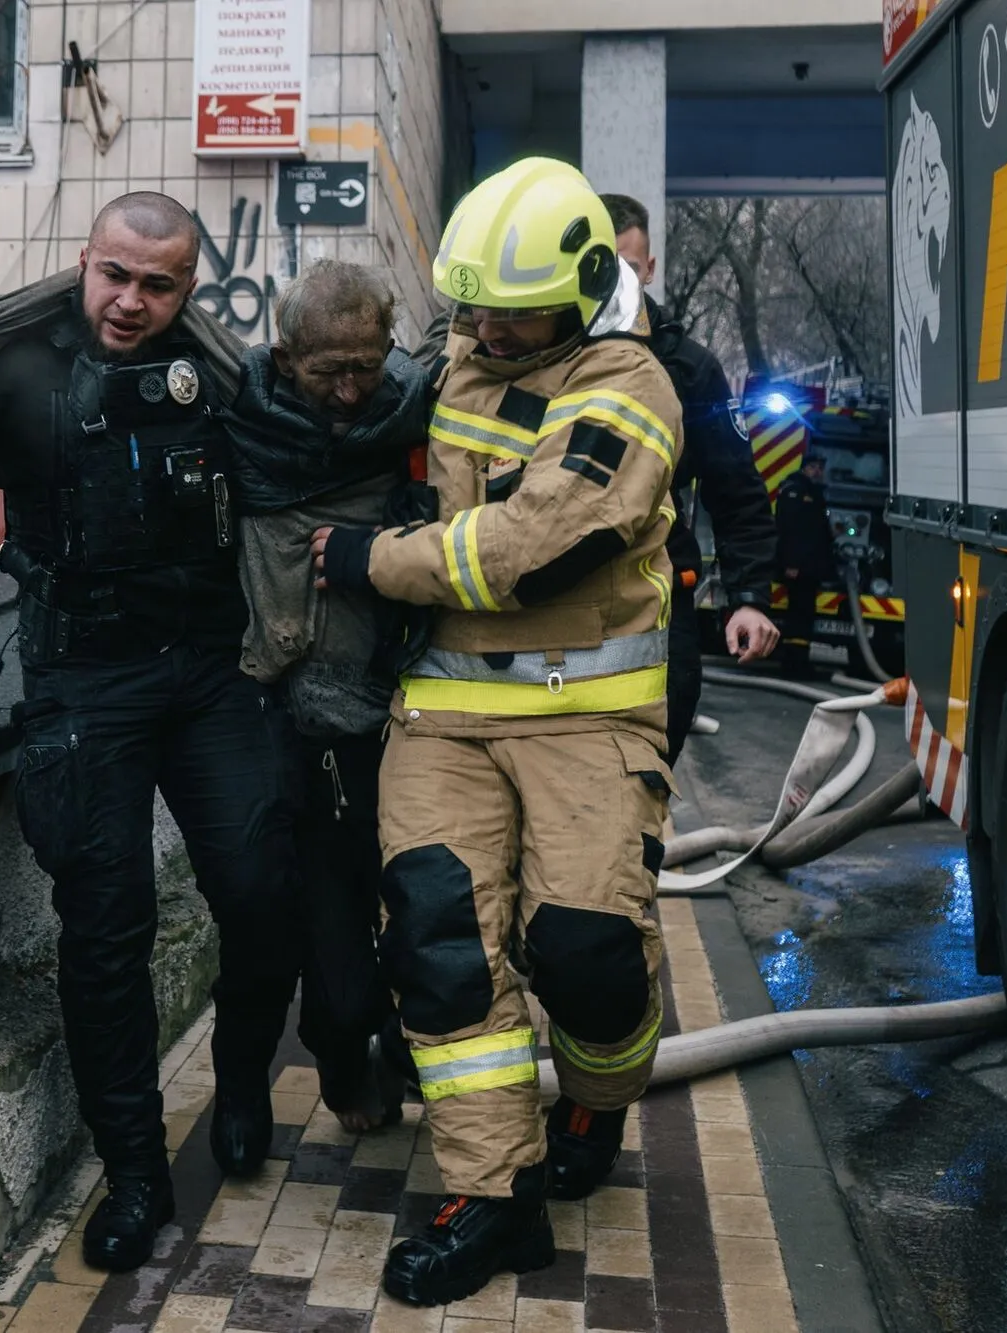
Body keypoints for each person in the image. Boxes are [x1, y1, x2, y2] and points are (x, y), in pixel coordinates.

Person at [0, 192, 301, 1274]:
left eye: (158, 284)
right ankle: (135, 1172)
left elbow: (310, 463)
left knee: (258, 890)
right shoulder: (12, 364)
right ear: (84, 261)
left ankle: (242, 1082)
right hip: (84, 679)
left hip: (209, 671)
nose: (130, 301)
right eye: (115, 275)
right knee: (105, 927)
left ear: (188, 287)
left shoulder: (220, 373)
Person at [314, 158, 683, 1307]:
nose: (483, 327)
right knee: (440, 950)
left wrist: (372, 562)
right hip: (441, 717)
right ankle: (493, 1194)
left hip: (589, 719)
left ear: (581, 289)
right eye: (470, 306)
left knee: (586, 954)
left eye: (509, 311)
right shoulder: (458, 360)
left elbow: (526, 550)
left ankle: (595, 1102)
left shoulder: (625, 384)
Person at [224, 260, 430, 1134]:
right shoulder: (240, 412)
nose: (350, 392)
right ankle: (338, 1063)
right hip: (290, 732)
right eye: (327, 372)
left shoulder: (416, 404)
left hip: (406, 717)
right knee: (320, 935)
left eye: (365, 367)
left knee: (436, 919)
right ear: (284, 359)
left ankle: (410, 1051)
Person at [600, 193, 779, 766]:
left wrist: (748, 600)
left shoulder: (690, 370)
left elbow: (737, 491)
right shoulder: (549, 355)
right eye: (603, 269)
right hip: (565, 604)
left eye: (629, 269)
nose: (617, 285)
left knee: (648, 770)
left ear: (650, 268)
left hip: (660, 600)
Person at [774, 451, 836, 679]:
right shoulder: (795, 491)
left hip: (810, 567)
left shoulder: (812, 492)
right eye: (814, 467)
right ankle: (794, 663)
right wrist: (791, 563)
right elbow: (790, 531)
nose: (818, 471)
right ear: (805, 468)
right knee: (799, 615)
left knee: (804, 614)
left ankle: (799, 661)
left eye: (820, 467)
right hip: (799, 567)